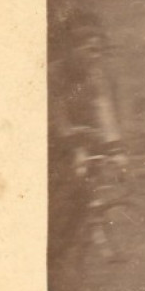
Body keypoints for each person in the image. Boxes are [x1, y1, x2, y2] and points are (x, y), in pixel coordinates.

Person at [48, 20, 124, 253]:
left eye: (100, 50)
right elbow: (57, 115)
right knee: (59, 205)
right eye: (91, 50)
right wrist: (75, 146)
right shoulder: (54, 74)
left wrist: (117, 151)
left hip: (79, 142)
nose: (97, 56)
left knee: (86, 195)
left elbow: (105, 112)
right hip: (51, 143)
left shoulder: (95, 76)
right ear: (74, 50)